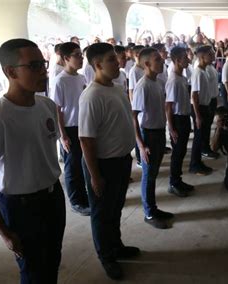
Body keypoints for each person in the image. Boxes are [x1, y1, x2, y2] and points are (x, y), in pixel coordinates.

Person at [0, 38, 65, 283]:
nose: (43, 71)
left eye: (43, 64)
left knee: (52, 259)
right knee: (33, 269)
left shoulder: (47, 106)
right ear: (10, 71)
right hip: (21, 207)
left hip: (53, 195)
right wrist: (4, 232)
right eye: (34, 66)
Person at [78, 43, 138, 280]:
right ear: (98, 65)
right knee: (102, 214)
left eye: (118, 58)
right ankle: (106, 256)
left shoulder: (116, 86)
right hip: (103, 164)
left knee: (115, 208)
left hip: (121, 161)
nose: (119, 62)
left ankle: (117, 246)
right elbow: (86, 140)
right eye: (112, 59)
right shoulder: (91, 96)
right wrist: (95, 176)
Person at [132, 47, 174, 229]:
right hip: (147, 134)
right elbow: (133, 117)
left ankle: (154, 208)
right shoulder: (142, 86)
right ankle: (149, 213)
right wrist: (141, 145)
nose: (162, 61)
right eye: (157, 59)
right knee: (148, 176)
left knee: (154, 173)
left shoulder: (157, 82)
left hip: (157, 132)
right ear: (147, 64)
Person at [52, 42, 90, 216]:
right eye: (77, 55)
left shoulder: (81, 78)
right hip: (69, 128)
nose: (81, 58)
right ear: (66, 58)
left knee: (84, 163)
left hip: (83, 126)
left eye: (81, 55)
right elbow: (57, 110)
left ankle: (84, 196)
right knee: (72, 165)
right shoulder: (60, 80)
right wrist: (63, 135)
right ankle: (76, 200)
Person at [165, 47, 195, 197]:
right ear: (177, 60)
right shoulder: (173, 81)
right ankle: (173, 183)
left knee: (182, 151)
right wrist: (171, 128)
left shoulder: (182, 78)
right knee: (177, 153)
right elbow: (168, 107)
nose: (188, 60)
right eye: (185, 57)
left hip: (184, 118)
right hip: (177, 120)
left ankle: (178, 180)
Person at [189, 45, 214, 175]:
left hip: (205, 107)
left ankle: (198, 162)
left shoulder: (204, 70)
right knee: (198, 138)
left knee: (202, 136)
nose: (213, 56)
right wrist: (198, 115)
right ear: (202, 57)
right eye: (210, 54)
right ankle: (194, 165)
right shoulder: (198, 72)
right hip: (199, 108)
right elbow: (194, 95)